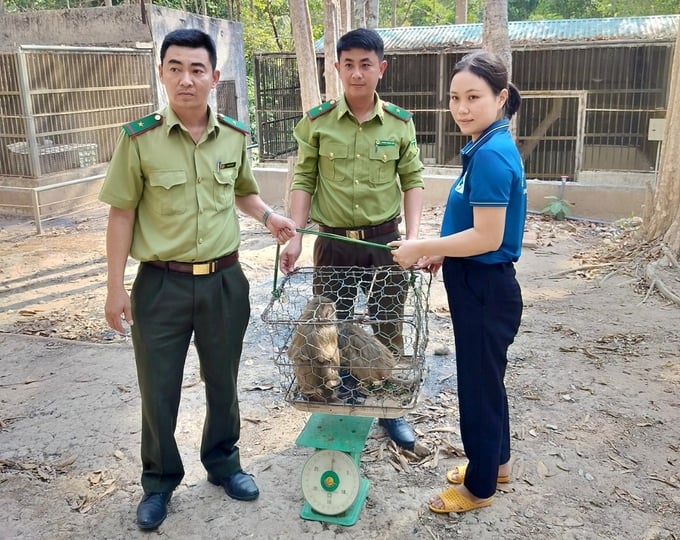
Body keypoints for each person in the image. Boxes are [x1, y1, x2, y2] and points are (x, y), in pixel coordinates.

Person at [98, 28, 296, 530]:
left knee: (223, 381)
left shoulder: (232, 135)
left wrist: (270, 216)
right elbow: (121, 214)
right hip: (160, 285)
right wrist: (114, 286)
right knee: (158, 388)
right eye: (175, 68)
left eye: (197, 69)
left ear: (214, 76)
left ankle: (224, 463)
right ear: (162, 72)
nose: (186, 79)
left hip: (224, 282)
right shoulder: (138, 139)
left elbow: (245, 193)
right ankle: (159, 481)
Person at [389, 50, 526, 513]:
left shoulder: (491, 155)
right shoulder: (485, 145)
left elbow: (488, 236)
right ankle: (497, 464)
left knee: (478, 385)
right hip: (476, 280)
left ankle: (479, 487)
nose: (462, 107)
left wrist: (426, 246)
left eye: (474, 97)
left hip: (486, 287)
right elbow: (475, 227)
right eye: (455, 98)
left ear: (501, 97)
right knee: (488, 381)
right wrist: (444, 251)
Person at [279, 28, 425, 450]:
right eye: (349, 65)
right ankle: (340, 398)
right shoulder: (318, 123)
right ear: (337, 69)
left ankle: (388, 409)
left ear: (381, 68)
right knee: (329, 325)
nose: (357, 73)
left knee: (388, 324)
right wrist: (296, 237)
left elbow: (412, 180)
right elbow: (304, 178)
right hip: (334, 241)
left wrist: (412, 240)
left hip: (385, 244)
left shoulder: (399, 124)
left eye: (366, 64)